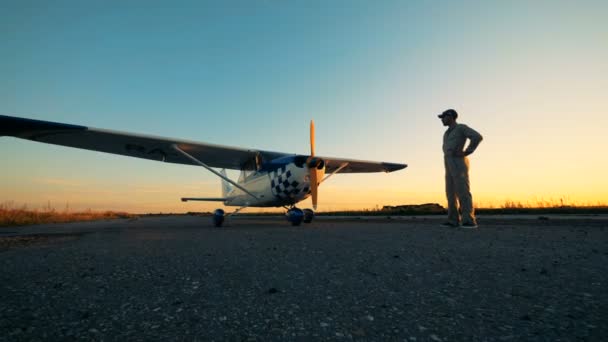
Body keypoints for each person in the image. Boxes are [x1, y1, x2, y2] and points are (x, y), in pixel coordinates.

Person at [438, 109, 483, 228]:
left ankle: (468, 220)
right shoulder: (446, 133)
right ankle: (453, 220)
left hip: (458, 161)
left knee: (462, 190)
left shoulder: (461, 128)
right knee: (450, 192)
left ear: (451, 116)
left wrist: (467, 151)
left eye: (443, 117)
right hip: (448, 162)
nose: (442, 120)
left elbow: (477, 137)